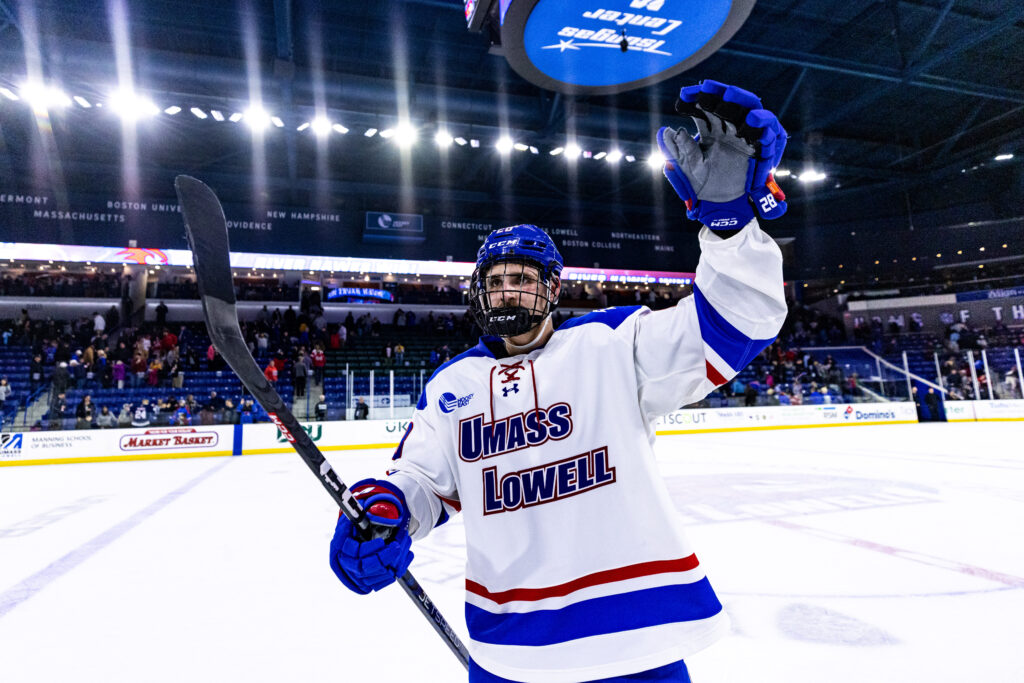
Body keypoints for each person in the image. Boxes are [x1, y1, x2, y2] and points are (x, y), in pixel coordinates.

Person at [327, 81, 789, 682]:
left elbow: (738, 321)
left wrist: (728, 227)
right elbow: (419, 482)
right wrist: (383, 512)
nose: (508, 290)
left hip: (640, 640)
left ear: (552, 289)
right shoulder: (453, 385)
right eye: (496, 281)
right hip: (512, 650)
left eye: (523, 277)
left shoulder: (611, 343)